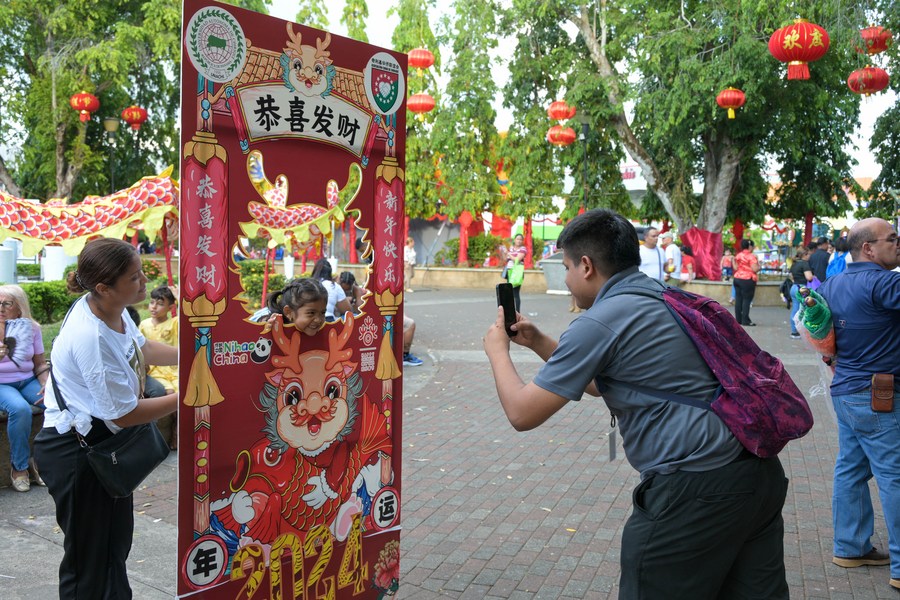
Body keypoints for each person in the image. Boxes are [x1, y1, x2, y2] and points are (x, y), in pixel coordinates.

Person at [483, 209, 789, 599]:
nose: (565, 278)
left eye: (566, 267)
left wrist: (497, 351)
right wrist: (540, 341)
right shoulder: (663, 295)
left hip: (695, 490)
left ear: (587, 266)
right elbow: (602, 383)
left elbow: (522, 413)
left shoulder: (600, 320)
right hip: (757, 477)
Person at [34, 237, 178, 598]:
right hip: (76, 453)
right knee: (88, 562)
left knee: (113, 549)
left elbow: (143, 349)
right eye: (134, 277)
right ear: (103, 287)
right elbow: (126, 413)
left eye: (142, 272)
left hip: (101, 445)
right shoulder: (90, 336)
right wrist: (188, 398)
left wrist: (195, 355)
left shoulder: (113, 311)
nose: (144, 281)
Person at [818, 218, 899, 592]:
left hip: (846, 392)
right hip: (880, 397)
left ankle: (851, 547)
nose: (898, 245)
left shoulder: (833, 283)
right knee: (893, 476)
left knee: (850, 469)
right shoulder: (885, 282)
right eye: (892, 239)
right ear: (868, 248)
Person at [0, 284, 49, 492]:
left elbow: (39, 363)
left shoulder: (32, 328)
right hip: (2, 383)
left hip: (28, 380)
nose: (0, 307)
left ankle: (39, 461)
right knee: (20, 410)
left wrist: (46, 383)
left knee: (55, 404)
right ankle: (19, 467)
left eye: (6, 303)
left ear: (19, 307)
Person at [252, 277, 328, 336]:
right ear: (289, 312)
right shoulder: (270, 323)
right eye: (311, 313)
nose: (318, 320)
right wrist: (266, 330)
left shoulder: (311, 331)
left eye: (322, 312)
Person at [311, 258, 352, 322]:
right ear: (330, 272)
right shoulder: (334, 286)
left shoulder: (309, 284)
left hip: (310, 320)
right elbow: (346, 310)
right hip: (328, 320)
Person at [788, 247, 814, 339]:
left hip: (794, 287)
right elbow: (809, 277)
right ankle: (800, 331)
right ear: (804, 255)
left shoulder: (794, 264)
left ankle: (794, 331)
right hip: (802, 288)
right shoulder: (805, 264)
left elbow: (790, 276)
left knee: (795, 309)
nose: (810, 256)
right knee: (803, 310)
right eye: (809, 254)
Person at [733, 239, 760, 326]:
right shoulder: (751, 256)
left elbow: (736, 267)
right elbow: (754, 269)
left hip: (737, 278)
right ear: (750, 246)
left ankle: (738, 320)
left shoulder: (738, 255)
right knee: (746, 300)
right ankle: (745, 320)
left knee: (738, 299)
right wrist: (759, 266)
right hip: (747, 279)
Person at [505, 233, 528, 312]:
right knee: (509, 293)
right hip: (510, 271)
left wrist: (510, 255)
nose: (519, 241)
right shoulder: (511, 248)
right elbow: (506, 259)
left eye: (520, 239)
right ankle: (510, 311)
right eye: (517, 239)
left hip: (517, 273)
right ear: (514, 240)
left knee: (515, 293)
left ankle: (517, 312)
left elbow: (517, 259)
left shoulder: (523, 249)